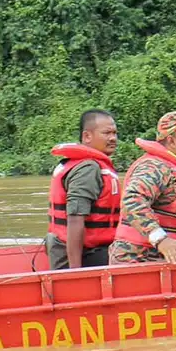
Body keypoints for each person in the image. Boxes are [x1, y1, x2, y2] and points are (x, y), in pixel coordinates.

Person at [109, 111, 176, 265]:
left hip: (167, 261)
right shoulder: (154, 166)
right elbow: (132, 200)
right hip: (139, 260)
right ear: (171, 140)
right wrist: (160, 239)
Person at [44, 110, 121, 270]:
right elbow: (75, 218)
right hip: (85, 255)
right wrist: (76, 272)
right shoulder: (88, 168)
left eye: (114, 133)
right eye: (106, 133)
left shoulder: (88, 165)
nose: (113, 138)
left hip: (91, 250)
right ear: (87, 137)